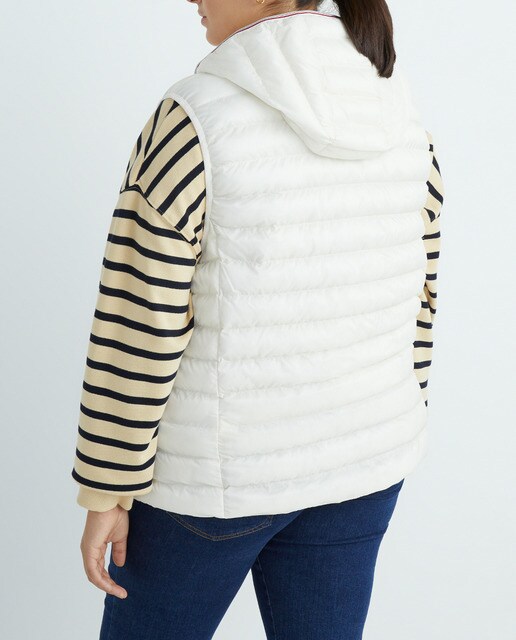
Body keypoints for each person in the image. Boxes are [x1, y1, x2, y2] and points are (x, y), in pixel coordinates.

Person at [72, 1, 444, 638]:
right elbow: (421, 298)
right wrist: (389, 418)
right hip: (365, 464)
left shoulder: (193, 118)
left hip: (215, 485)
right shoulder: (400, 112)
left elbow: (138, 320)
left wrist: (107, 488)